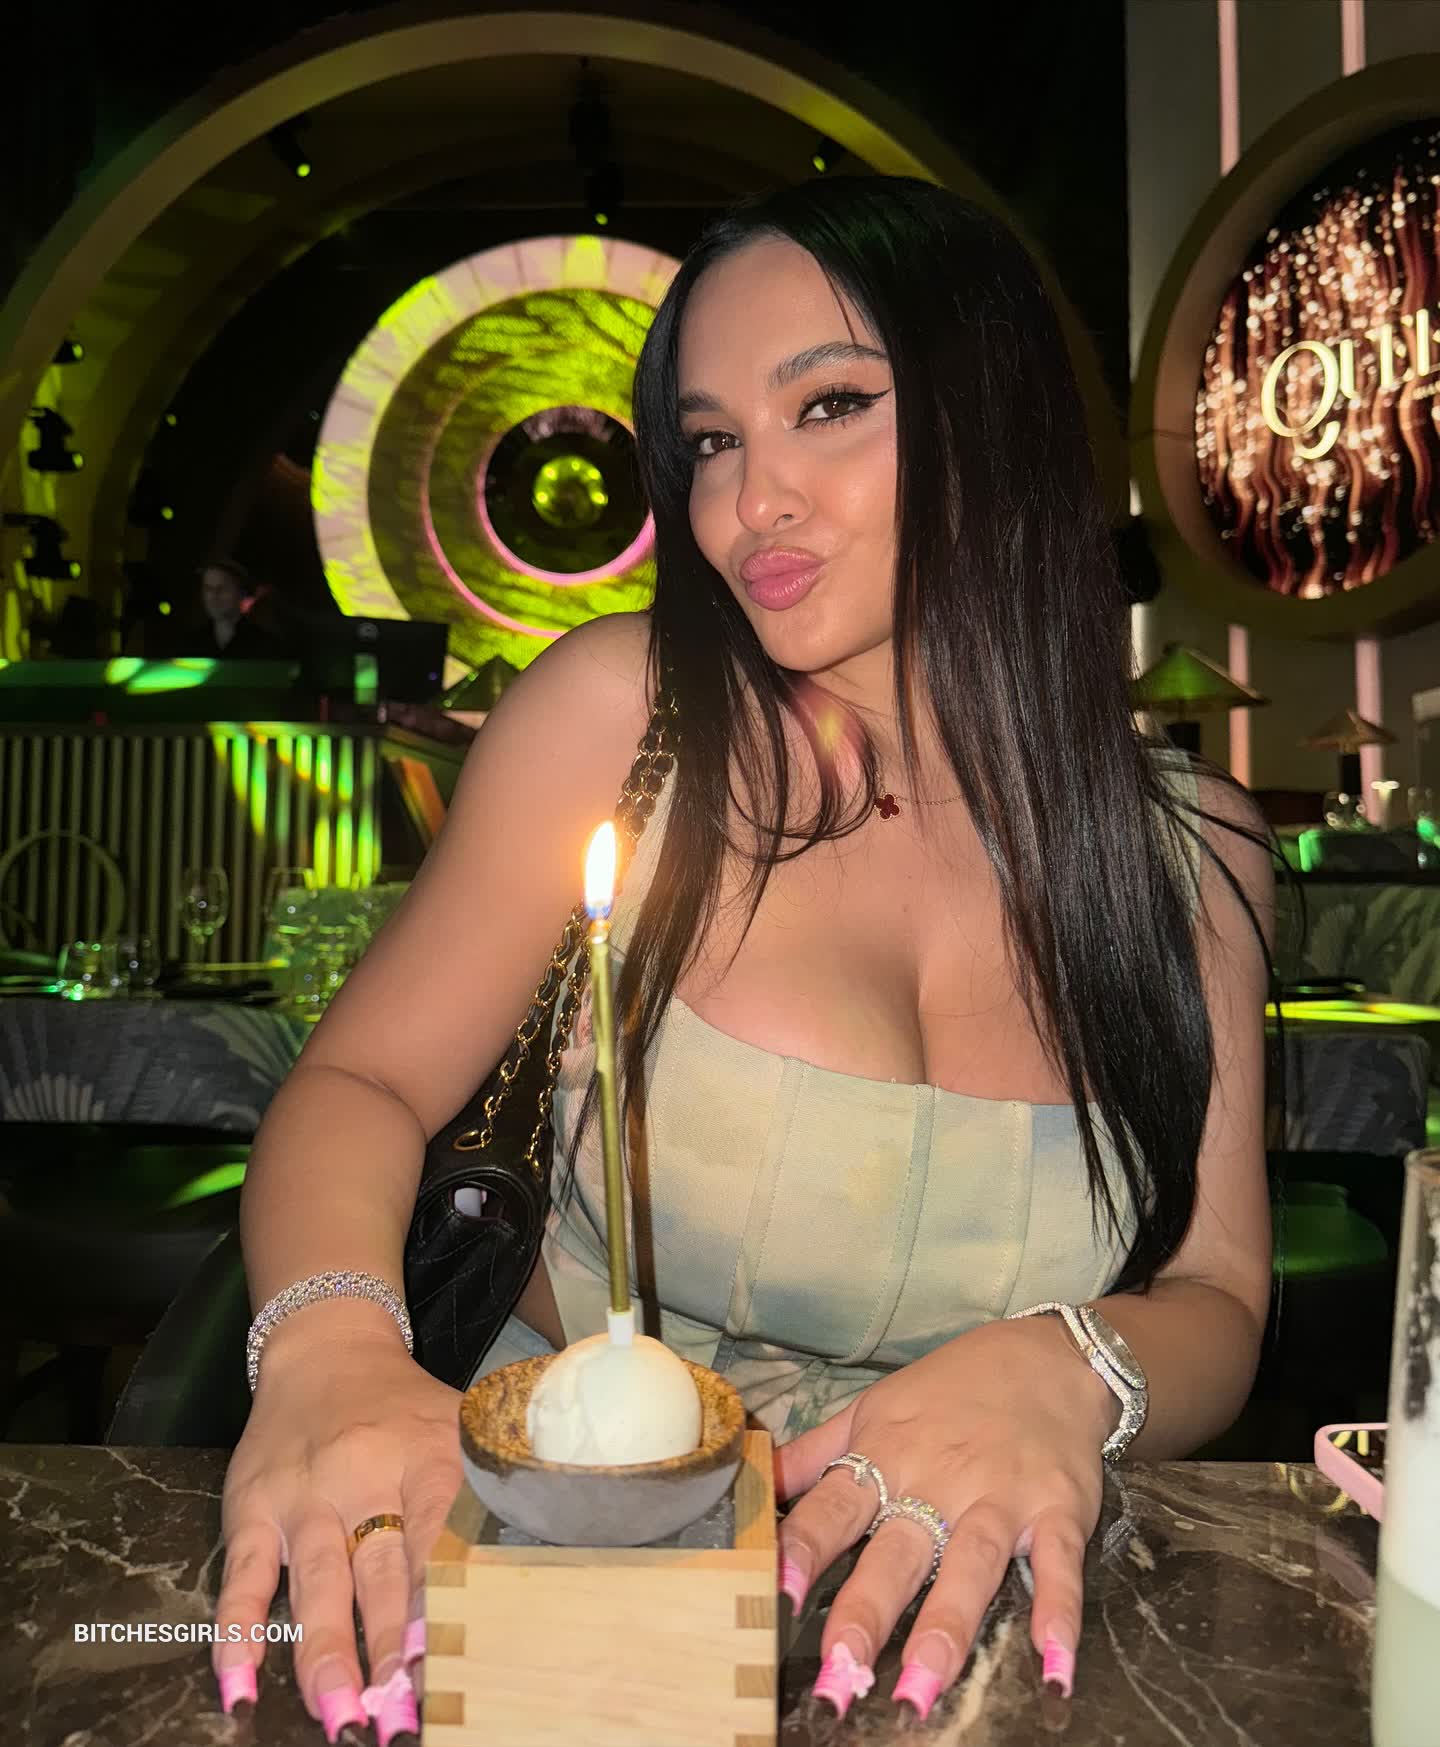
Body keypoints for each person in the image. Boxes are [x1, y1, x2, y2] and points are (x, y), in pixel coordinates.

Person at [215, 176, 1276, 1738]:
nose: (745, 501)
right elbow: (362, 1080)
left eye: (828, 405)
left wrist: (1073, 1367)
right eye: (710, 440)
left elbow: (1219, 1290)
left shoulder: (1193, 852)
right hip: (565, 1570)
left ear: (996, 410)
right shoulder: (623, 718)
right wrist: (327, 1346)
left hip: (985, 1600)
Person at [173, 559, 294, 659]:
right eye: (208, 588)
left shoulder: (268, 645)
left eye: (223, 588)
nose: (214, 595)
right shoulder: (189, 645)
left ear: (241, 593)